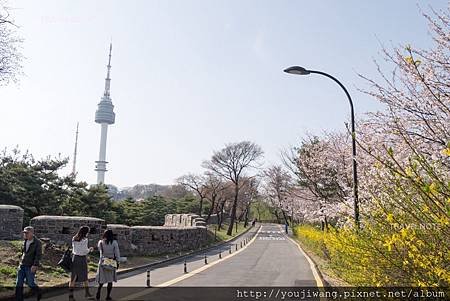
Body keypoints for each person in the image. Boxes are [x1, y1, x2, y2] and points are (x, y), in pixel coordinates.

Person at [15, 226, 42, 301]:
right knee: (18, 283)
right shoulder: (25, 241)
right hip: (22, 265)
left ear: (32, 233)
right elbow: (23, 252)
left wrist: (35, 265)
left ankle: (38, 291)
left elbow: (38, 255)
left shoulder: (37, 243)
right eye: (24, 233)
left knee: (30, 283)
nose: (25, 234)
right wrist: (19, 259)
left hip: (30, 266)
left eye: (27, 233)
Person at [69, 226, 94, 300]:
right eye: (88, 232)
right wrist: (90, 249)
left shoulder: (74, 238)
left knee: (73, 277)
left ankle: (71, 296)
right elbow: (85, 251)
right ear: (85, 232)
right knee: (85, 276)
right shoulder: (85, 240)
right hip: (82, 259)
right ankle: (87, 293)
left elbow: (74, 249)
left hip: (75, 258)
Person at [95, 230, 120, 301]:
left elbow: (100, 252)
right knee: (110, 280)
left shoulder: (100, 242)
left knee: (101, 280)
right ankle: (108, 296)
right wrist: (118, 262)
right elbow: (117, 253)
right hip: (111, 261)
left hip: (102, 261)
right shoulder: (114, 242)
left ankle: (98, 291)